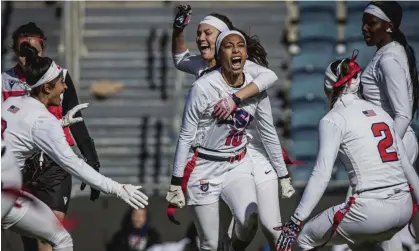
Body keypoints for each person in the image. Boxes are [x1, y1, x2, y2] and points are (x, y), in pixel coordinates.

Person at [1, 43, 149, 250]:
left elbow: (20, 132)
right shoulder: (43, 121)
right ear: (46, 87)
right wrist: (118, 189)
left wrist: (59, 125)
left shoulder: (11, 104)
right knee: (61, 240)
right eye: (61, 82)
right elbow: (73, 164)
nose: (66, 87)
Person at [171, 6, 295, 250]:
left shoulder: (245, 70)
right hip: (209, 158)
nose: (200, 38)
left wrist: (235, 98)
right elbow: (179, 59)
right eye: (198, 33)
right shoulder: (202, 72)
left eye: (207, 32)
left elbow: (269, 76)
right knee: (213, 242)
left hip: (247, 153)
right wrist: (177, 30)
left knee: (267, 225)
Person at [275, 55, 419, 251]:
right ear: (358, 81)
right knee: (362, 244)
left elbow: (322, 175)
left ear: (328, 86)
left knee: (304, 240)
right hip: (403, 208)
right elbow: (408, 169)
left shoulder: (333, 119)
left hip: (370, 211)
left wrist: (295, 220)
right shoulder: (383, 114)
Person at [1, 22, 101, 251]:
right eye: (22, 53)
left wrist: (92, 162)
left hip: (54, 166)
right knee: (32, 242)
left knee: (49, 236)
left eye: (33, 52)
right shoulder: (4, 81)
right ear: (15, 53)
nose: (27, 58)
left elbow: (76, 120)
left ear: (43, 50)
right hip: (20, 167)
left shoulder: (59, 76)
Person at [334, 2, 419, 250]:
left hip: (393, 145)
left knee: (355, 213)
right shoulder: (387, 52)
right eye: (364, 21)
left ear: (389, 26)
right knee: (385, 226)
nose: (364, 28)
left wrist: (386, 150)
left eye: (371, 22)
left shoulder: (390, 58)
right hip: (391, 145)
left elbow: (403, 114)